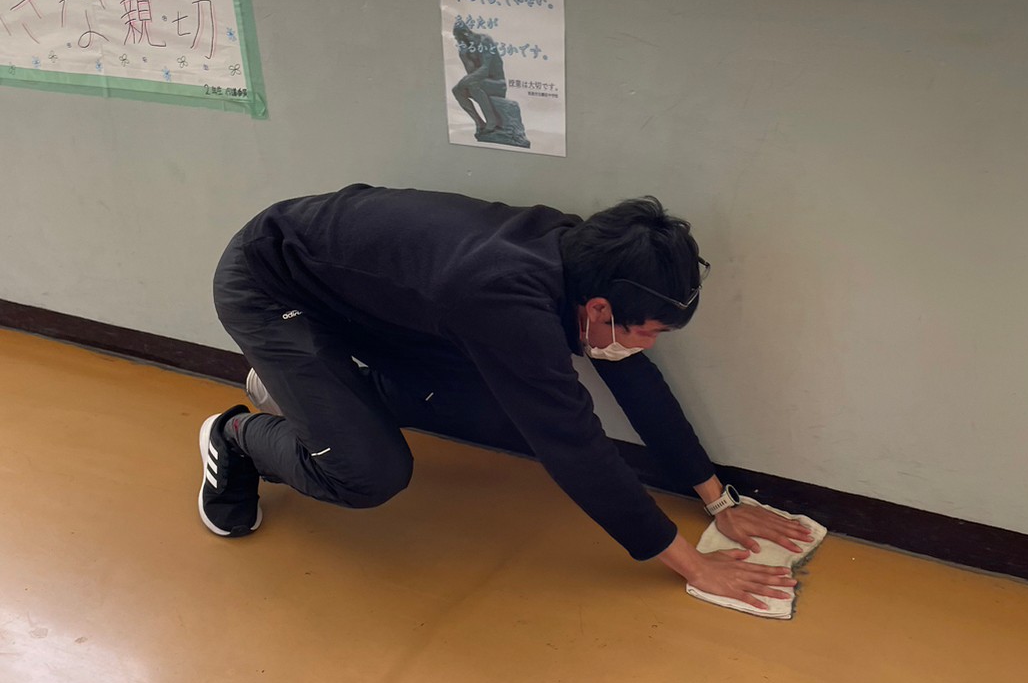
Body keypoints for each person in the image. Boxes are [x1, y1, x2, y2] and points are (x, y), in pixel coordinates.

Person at [200, 186, 809, 611]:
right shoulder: (505, 297)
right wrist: (693, 564)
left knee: (493, 405)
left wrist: (717, 500)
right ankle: (237, 438)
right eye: (648, 331)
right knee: (368, 475)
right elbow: (573, 444)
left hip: (365, 300)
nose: (647, 346)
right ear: (600, 309)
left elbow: (635, 381)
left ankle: (310, 397)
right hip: (270, 284)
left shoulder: (587, 261)